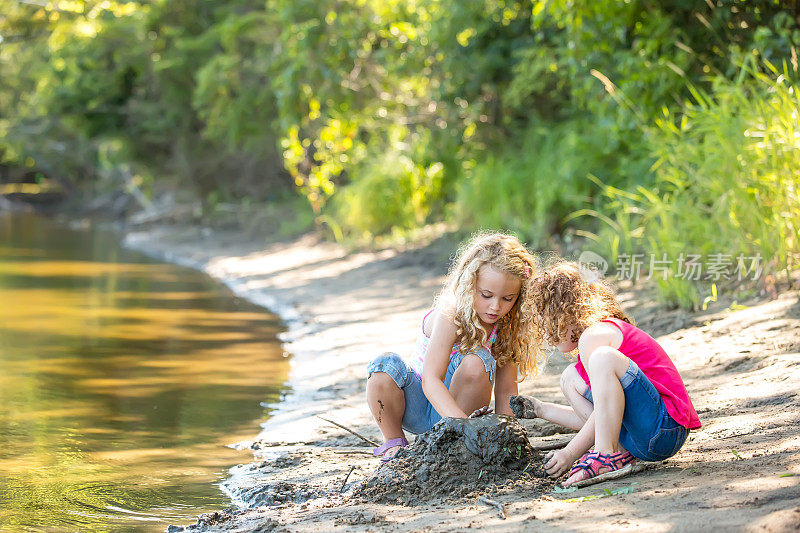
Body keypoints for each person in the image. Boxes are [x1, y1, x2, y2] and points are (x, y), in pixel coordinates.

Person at [515, 260, 701, 485]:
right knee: (569, 378)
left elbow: (601, 414)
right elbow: (603, 416)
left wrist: (569, 453)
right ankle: (618, 452)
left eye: (546, 320)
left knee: (603, 358)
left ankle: (605, 454)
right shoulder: (590, 344)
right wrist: (541, 409)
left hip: (665, 429)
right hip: (641, 439)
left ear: (563, 313)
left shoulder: (594, 337)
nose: (544, 330)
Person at [365, 232, 545, 462]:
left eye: (507, 299)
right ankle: (394, 444)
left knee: (477, 360)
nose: (495, 306)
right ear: (470, 285)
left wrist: (506, 437)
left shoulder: (507, 328)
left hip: (463, 405)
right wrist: (464, 425)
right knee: (384, 365)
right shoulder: (451, 314)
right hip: (420, 405)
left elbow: (506, 391)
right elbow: (431, 379)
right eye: (486, 295)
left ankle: (455, 443)